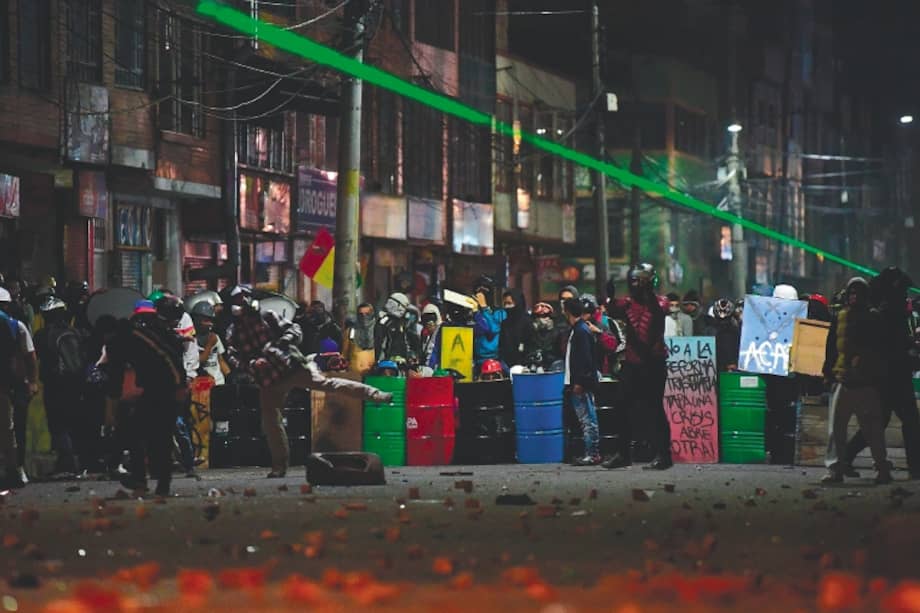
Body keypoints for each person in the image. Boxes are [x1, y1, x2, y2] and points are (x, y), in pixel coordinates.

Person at [224, 286, 392, 478]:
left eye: (244, 299)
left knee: (330, 384)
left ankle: (376, 395)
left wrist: (281, 343)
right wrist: (253, 364)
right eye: (238, 301)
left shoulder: (267, 316)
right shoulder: (234, 332)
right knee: (271, 420)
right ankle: (279, 467)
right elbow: (233, 357)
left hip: (292, 367)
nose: (242, 304)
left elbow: (295, 330)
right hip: (268, 380)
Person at [100, 300, 186, 496]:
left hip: (166, 387)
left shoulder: (125, 339)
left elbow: (167, 358)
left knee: (157, 436)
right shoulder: (134, 335)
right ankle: (144, 480)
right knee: (139, 432)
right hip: (155, 387)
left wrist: (110, 412)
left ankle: (152, 481)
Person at [843, 267, 920, 479]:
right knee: (908, 421)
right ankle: (915, 468)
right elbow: (894, 345)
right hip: (893, 375)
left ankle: (846, 458)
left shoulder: (884, 309)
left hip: (886, 375)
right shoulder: (890, 312)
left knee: (879, 422)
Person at [821, 277, 891, 484]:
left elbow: (879, 348)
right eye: (851, 293)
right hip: (843, 380)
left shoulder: (873, 318)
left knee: (873, 430)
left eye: (857, 294)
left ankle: (882, 469)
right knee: (836, 430)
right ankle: (835, 470)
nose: (853, 297)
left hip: (866, 383)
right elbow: (831, 347)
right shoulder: (840, 317)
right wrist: (828, 371)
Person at [603, 263, 672, 470]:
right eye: (633, 281)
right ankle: (623, 454)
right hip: (632, 364)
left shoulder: (661, 302)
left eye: (639, 281)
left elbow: (657, 312)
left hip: (654, 363)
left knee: (655, 410)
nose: (635, 285)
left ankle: (663, 456)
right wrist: (610, 296)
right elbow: (612, 309)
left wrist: (644, 292)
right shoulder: (626, 304)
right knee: (620, 406)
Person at [34, 297, 87, 476]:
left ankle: (67, 461)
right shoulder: (76, 332)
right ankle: (77, 461)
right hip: (76, 382)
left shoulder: (42, 335)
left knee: (57, 423)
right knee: (74, 421)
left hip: (54, 383)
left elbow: (36, 358)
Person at [0, 287, 38, 486]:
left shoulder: (15, 327)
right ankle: (16, 469)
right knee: (14, 429)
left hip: (10, 385)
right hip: (13, 384)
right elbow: (30, 357)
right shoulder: (17, 326)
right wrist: (32, 382)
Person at [563, 299, 601, 466]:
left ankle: (592, 453)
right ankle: (591, 452)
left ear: (568, 312)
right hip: (579, 381)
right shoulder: (580, 330)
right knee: (586, 418)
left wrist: (579, 382)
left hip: (581, 383)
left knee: (587, 419)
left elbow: (585, 360)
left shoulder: (580, 331)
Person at [375, 292, 418, 364]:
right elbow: (380, 343)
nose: (404, 311)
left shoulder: (401, 322)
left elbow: (406, 341)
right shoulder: (384, 322)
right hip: (387, 363)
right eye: (403, 307)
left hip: (402, 361)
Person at [472, 276, 505, 368]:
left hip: (493, 358)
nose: (480, 294)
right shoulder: (474, 311)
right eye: (478, 290)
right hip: (474, 358)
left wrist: (484, 307)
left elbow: (493, 329)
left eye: (484, 290)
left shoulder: (499, 312)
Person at [191, 302, 227, 386]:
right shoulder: (191, 339)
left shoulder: (214, 337)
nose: (210, 324)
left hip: (219, 382)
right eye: (206, 320)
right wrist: (209, 344)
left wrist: (229, 375)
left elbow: (220, 360)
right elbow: (198, 361)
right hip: (201, 384)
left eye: (211, 320)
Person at [703, 298, 741, 372]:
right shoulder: (710, 329)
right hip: (713, 365)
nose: (723, 320)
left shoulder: (734, 330)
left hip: (727, 366)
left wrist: (733, 362)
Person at [499, 289, 532, 368]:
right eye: (505, 303)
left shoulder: (528, 322)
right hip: (507, 366)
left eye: (509, 303)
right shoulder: (505, 323)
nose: (507, 307)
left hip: (525, 366)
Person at [342, 302, 377, 375]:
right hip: (354, 374)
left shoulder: (378, 330)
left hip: (373, 374)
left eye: (367, 314)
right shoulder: (351, 330)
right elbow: (344, 353)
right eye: (361, 314)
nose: (364, 317)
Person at [530, 302, 558, 370]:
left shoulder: (557, 333)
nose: (542, 320)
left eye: (545, 316)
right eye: (538, 316)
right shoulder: (530, 333)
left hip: (552, 367)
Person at [420, 303, 443, 368]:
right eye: (426, 318)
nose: (429, 322)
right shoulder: (424, 335)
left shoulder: (441, 332)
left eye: (432, 318)